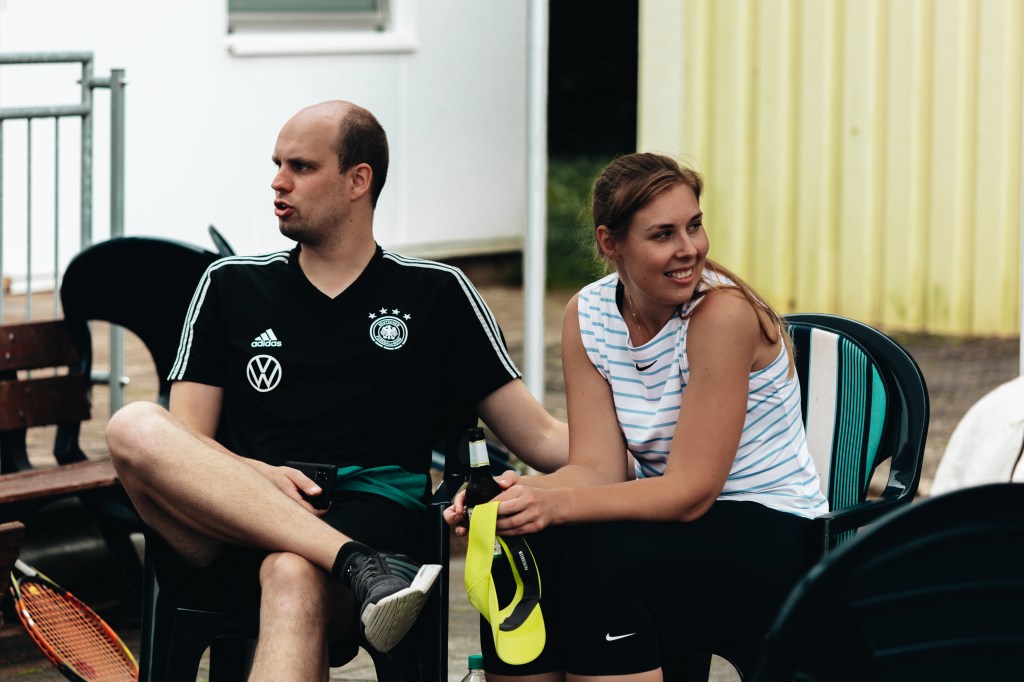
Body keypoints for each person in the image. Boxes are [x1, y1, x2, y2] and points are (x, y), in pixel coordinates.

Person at [105, 100, 567, 682]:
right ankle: (353, 563)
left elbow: (541, 436)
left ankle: (350, 560)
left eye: (300, 166)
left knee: (292, 571)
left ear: (358, 180)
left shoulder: (437, 293)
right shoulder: (229, 284)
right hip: (231, 522)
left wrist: (649, 456)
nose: (278, 182)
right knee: (133, 424)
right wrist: (256, 474)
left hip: (375, 518)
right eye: (277, 165)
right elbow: (188, 446)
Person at [445, 152, 828, 680]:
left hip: (773, 529)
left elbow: (691, 492)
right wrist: (515, 499)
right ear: (610, 243)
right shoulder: (589, 313)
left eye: (694, 226)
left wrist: (554, 505)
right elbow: (598, 470)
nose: (689, 248)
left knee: (600, 560)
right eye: (663, 234)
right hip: (668, 525)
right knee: (513, 552)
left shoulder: (722, 315)